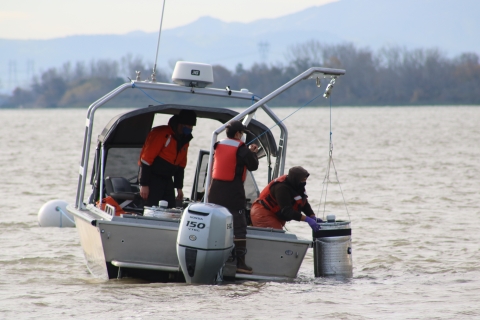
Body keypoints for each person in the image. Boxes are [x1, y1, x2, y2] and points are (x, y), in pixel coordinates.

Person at [208, 120, 259, 274]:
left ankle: (212, 258)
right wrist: (253, 153)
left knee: (216, 223)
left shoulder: (218, 144)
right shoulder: (241, 149)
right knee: (239, 226)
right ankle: (241, 264)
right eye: (242, 133)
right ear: (238, 134)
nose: (242, 136)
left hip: (214, 190)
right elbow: (253, 166)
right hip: (233, 191)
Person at [138, 109, 197, 208]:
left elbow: (181, 165)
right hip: (153, 178)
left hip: (168, 179)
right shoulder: (161, 134)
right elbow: (146, 160)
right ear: (180, 124)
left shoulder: (185, 140)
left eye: (192, 127)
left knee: (171, 208)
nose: (190, 129)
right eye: (188, 126)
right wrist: (144, 185)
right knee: (151, 207)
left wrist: (179, 188)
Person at [250, 166, 322, 232]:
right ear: (296, 179)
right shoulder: (281, 188)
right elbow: (287, 211)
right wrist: (307, 219)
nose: (304, 182)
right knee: (277, 236)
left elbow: (303, 203)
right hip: (262, 212)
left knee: (279, 234)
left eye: (305, 180)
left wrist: (312, 216)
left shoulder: (297, 186)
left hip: (276, 214)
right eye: (302, 180)